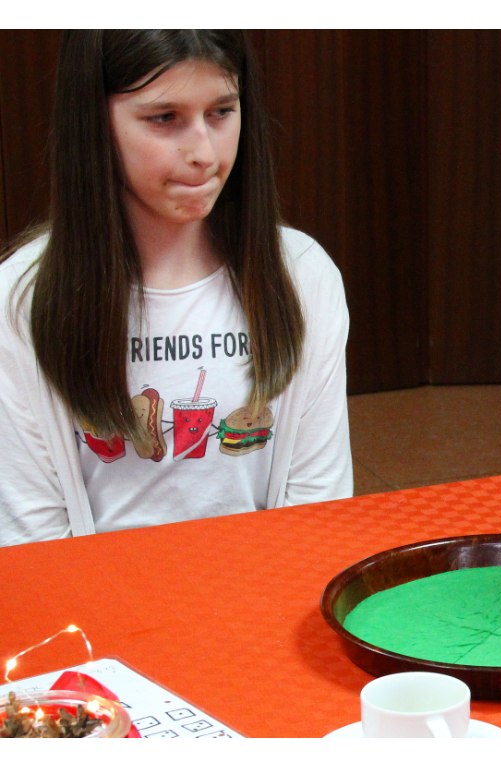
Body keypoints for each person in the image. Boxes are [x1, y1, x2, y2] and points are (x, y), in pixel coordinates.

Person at [0, 30, 352, 547]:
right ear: (96, 122)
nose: (204, 154)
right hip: (95, 610)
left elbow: (318, 505)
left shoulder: (302, 275)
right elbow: (30, 537)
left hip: (261, 595)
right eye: (164, 119)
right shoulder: (20, 301)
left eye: (221, 112)